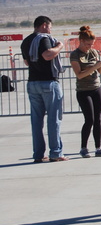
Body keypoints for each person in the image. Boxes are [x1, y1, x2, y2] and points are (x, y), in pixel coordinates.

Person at [21, 16, 68, 163]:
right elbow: (48, 55)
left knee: (36, 121)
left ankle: (38, 153)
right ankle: (55, 152)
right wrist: (60, 46)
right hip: (48, 83)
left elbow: (27, 62)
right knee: (53, 119)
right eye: (50, 27)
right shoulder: (43, 39)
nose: (50, 30)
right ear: (44, 26)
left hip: (33, 83)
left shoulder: (26, 41)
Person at [70, 26, 101, 158]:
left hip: (96, 87)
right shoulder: (75, 55)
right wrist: (95, 66)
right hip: (83, 90)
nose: (89, 47)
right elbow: (79, 75)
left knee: (98, 119)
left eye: (91, 44)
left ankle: (98, 147)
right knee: (89, 119)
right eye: (87, 44)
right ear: (80, 41)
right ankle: (83, 147)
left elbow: (100, 71)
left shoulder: (93, 52)